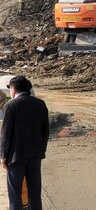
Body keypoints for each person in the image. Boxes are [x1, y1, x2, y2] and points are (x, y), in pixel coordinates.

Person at [0, 76, 49, 210]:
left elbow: (6, 133)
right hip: (35, 154)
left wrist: (3, 156)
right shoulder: (40, 104)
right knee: (34, 192)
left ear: (14, 89)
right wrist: (41, 150)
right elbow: (45, 131)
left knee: (15, 193)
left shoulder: (11, 106)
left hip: (15, 156)